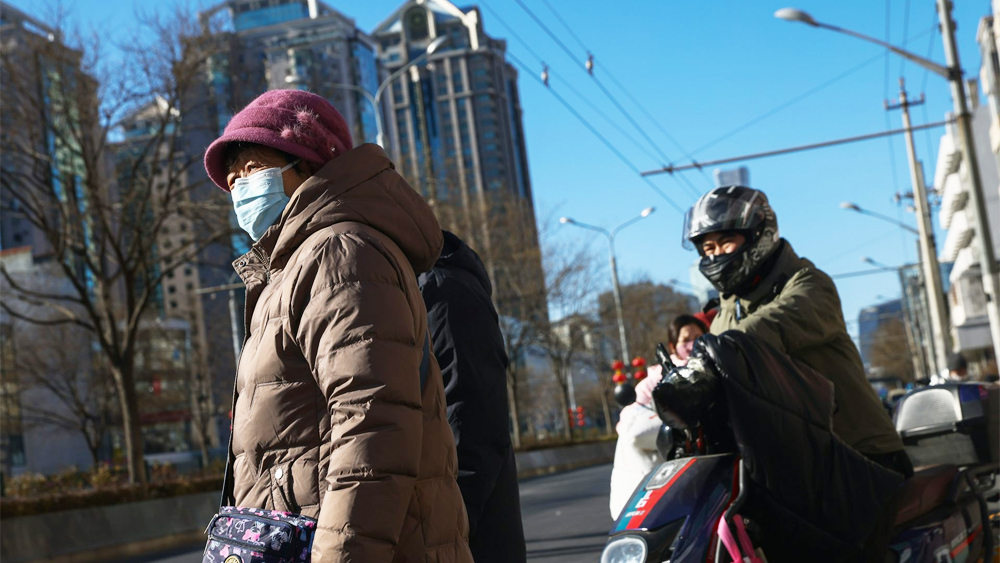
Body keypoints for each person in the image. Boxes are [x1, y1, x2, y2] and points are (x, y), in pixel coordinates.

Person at [203, 90, 472, 563]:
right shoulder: (293, 266)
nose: (240, 187)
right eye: (232, 178)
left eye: (253, 168)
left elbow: (371, 427)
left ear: (307, 164)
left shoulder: (339, 254)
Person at [677, 186, 910, 560]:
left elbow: (768, 330)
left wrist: (711, 355)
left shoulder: (809, 284)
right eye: (707, 248)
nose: (716, 254)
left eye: (726, 242)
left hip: (858, 458)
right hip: (791, 468)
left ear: (759, 234)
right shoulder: (723, 313)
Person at [418, 231, 527, 563]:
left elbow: (471, 422)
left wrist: (442, 529)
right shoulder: (421, 285)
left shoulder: (440, 288)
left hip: (466, 544)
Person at [608, 313, 708, 518]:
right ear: (673, 346)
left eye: (698, 337)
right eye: (686, 340)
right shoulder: (655, 380)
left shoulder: (713, 370)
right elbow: (631, 424)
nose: (693, 344)